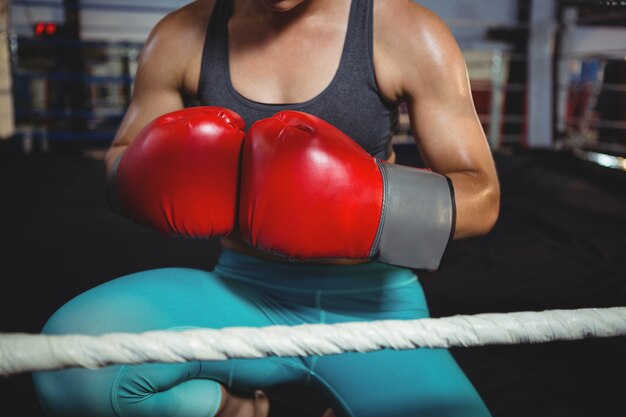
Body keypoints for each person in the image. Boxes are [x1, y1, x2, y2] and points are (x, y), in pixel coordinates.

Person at [32, 0, 500, 416]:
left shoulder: (405, 30)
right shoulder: (181, 36)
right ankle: (237, 410)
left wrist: (366, 204)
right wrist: (152, 169)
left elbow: (482, 198)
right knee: (70, 365)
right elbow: (121, 160)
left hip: (374, 308)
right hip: (242, 294)